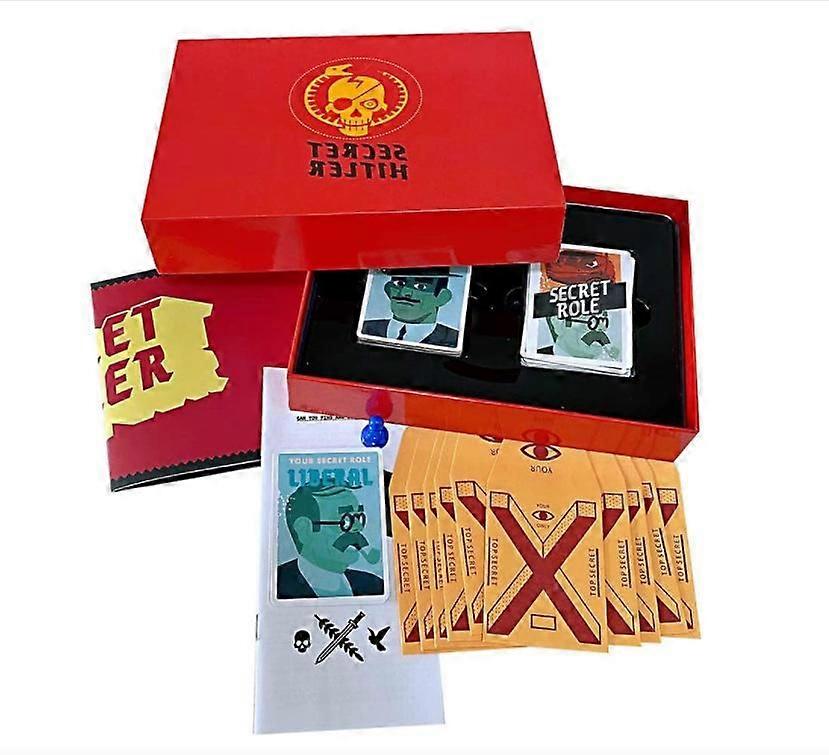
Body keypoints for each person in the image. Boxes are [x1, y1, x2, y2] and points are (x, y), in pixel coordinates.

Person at [277, 482, 383, 599]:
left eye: (359, 517)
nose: (358, 527)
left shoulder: (374, 586)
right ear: (304, 530)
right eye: (345, 521)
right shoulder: (278, 586)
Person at [362, 268, 459, 347]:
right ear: (388, 290)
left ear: (442, 297)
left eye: (421, 286)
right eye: (399, 284)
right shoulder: (366, 328)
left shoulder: (453, 339)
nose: (405, 292)